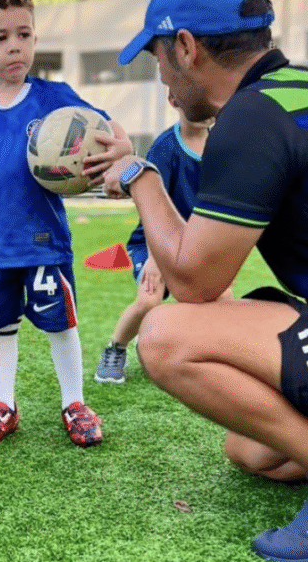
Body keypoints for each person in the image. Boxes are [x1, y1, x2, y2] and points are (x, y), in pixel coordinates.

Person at [98, 0, 308, 562]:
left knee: (164, 335)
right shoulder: (292, 92)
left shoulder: (250, 118)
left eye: (157, 57)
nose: (161, 78)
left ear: (186, 48)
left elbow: (193, 282)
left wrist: (139, 174)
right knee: (252, 449)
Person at [0, 0, 129, 448]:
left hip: (44, 239)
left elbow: (104, 131)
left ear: (35, 39)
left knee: (59, 322)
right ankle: (5, 404)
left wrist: (122, 148)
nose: (15, 47)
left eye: (24, 34)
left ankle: (75, 403)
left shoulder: (55, 98)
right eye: (0, 38)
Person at [95, 94, 224, 383]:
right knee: (149, 300)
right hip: (153, 241)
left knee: (221, 300)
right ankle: (116, 348)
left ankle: (208, 354)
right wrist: (156, 259)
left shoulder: (221, 146)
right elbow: (149, 204)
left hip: (193, 241)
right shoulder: (165, 148)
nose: (206, 110)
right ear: (175, 100)